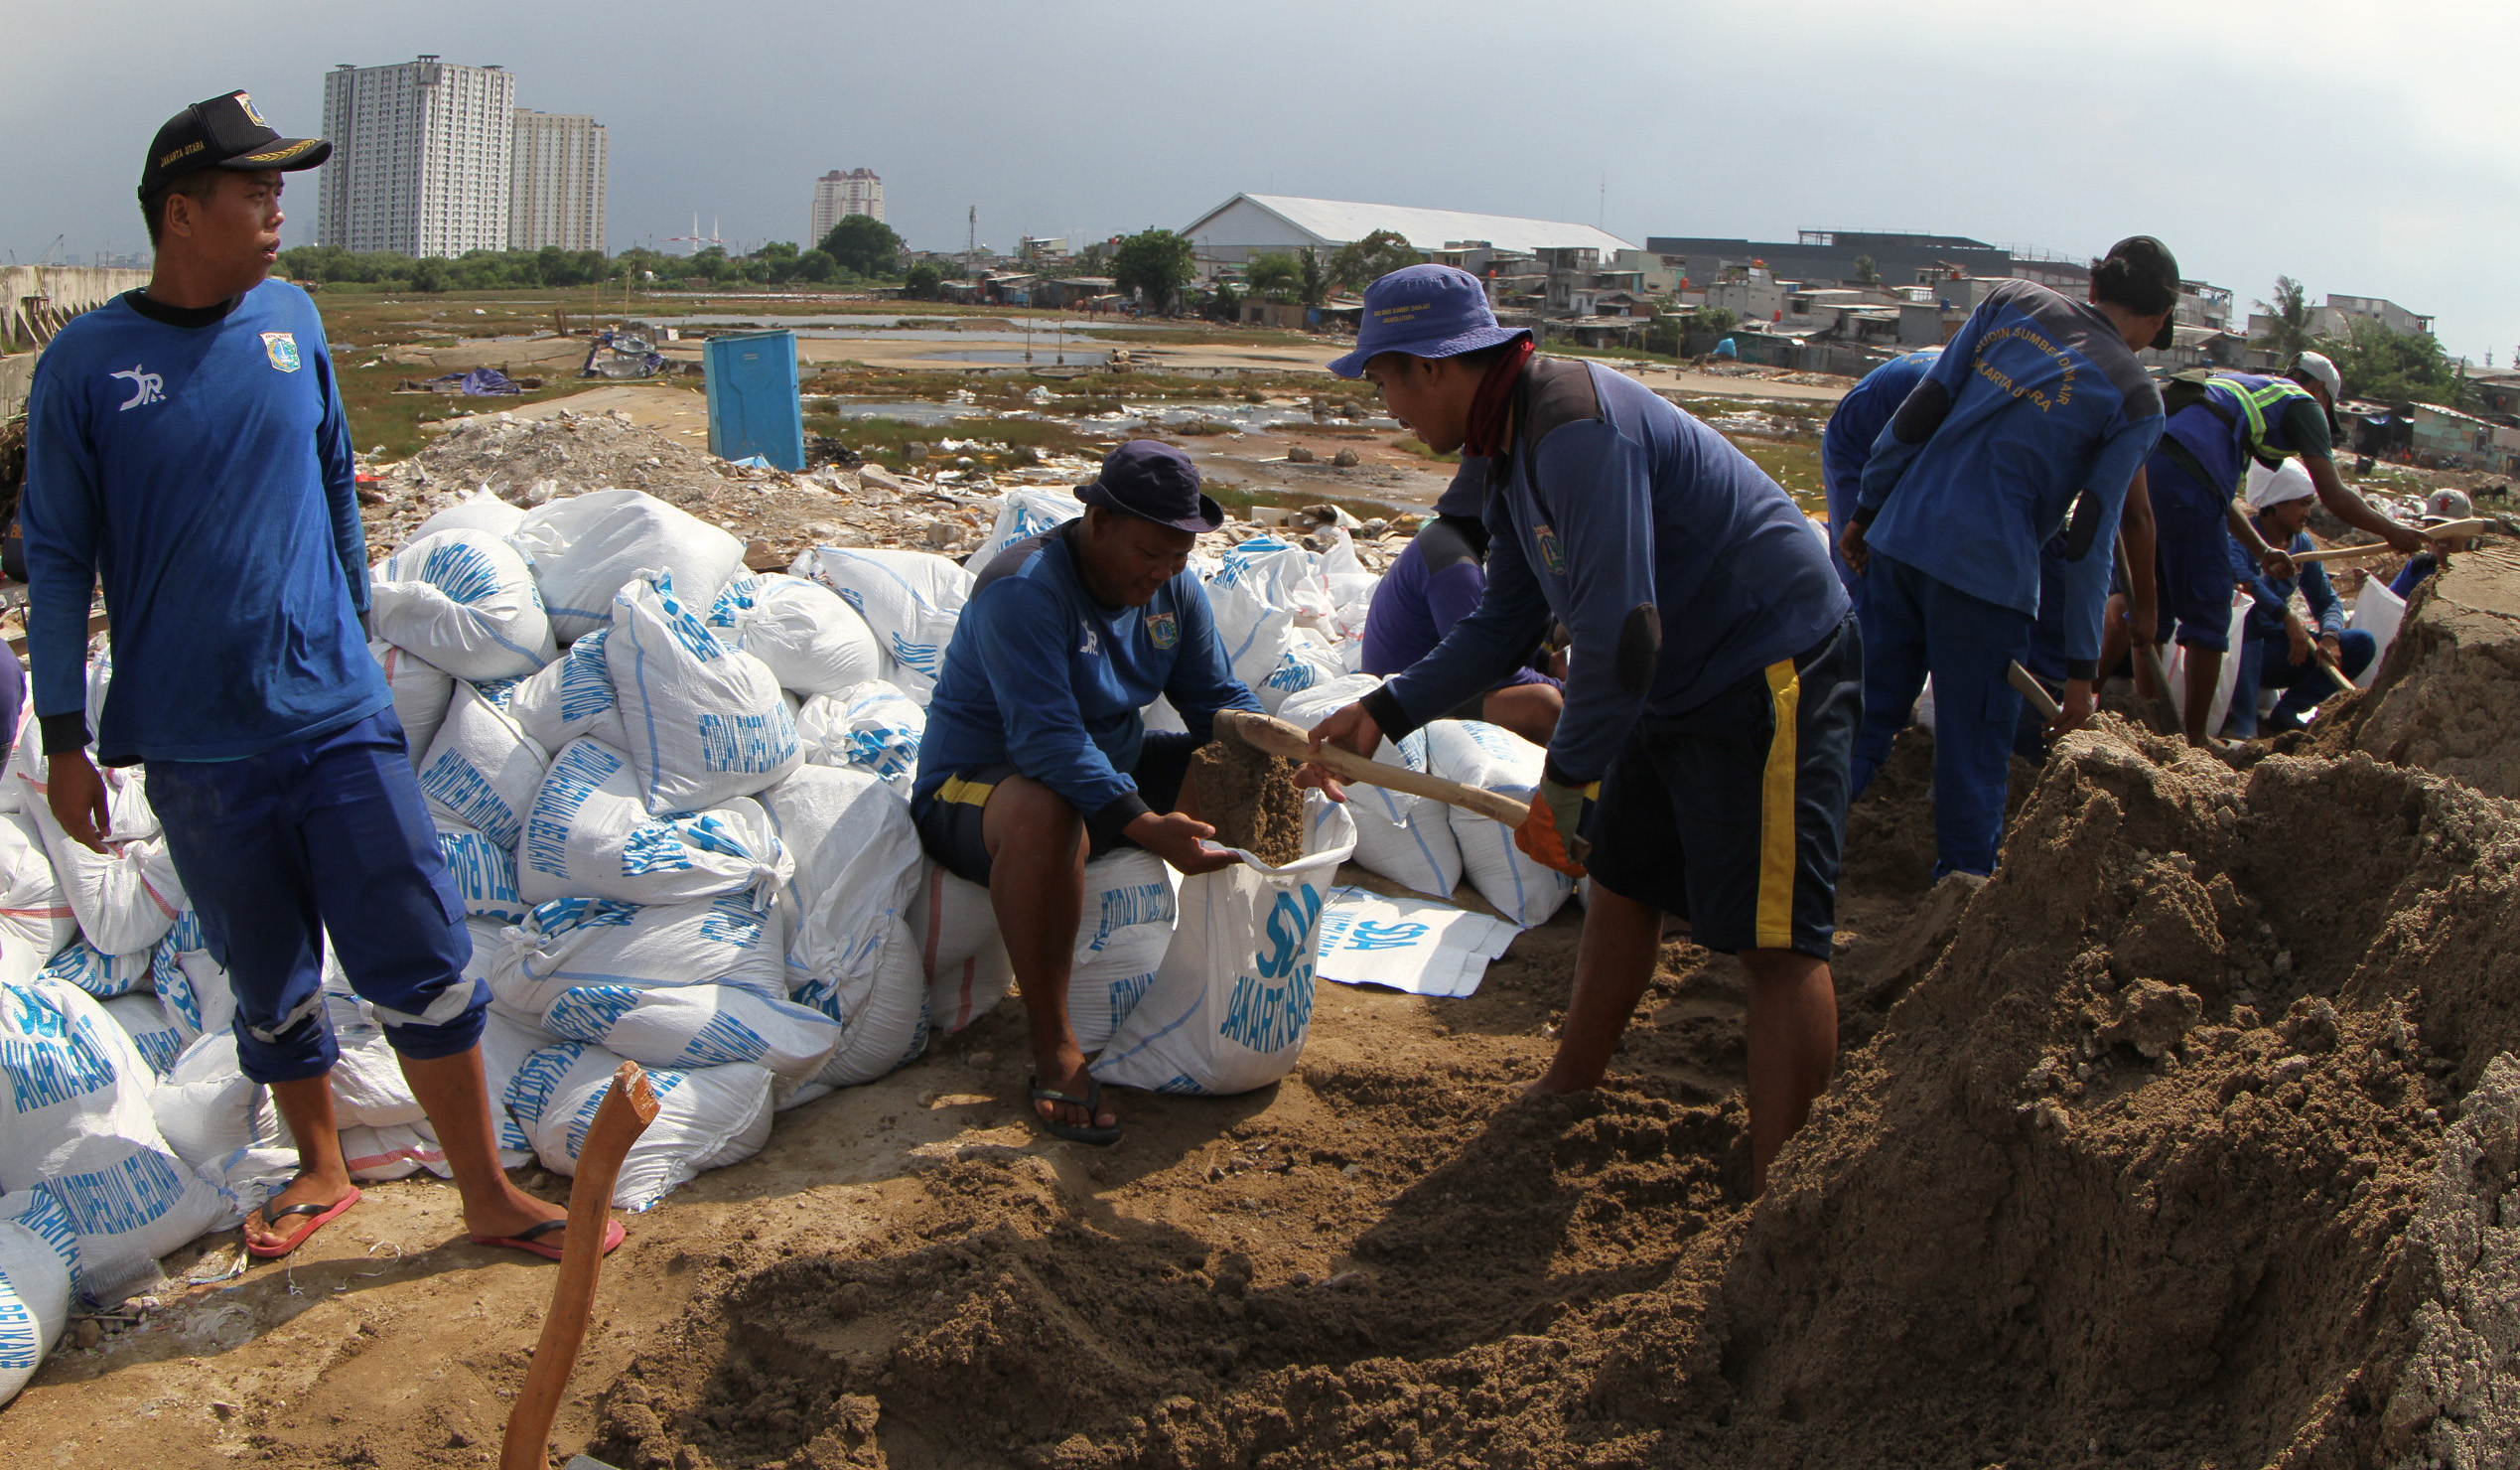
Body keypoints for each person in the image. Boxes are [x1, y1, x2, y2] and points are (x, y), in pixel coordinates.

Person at [20, 90, 588, 1261]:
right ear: (182, 211)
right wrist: (69, 740)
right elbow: (61, 553)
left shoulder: (293, 320)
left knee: (417, 948)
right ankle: (323, 1165)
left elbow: (336, 480)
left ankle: (485, 1188)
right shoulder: (86, 363)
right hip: (194, 738)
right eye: (254, 189)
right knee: (265, 971)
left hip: (333, 712)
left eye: (282, 187)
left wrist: (353, 632)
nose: (278, 208)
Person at [1306, 265, 1857, 1195]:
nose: (1385, 403)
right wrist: (1385, 711)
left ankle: (1779, 1203)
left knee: (1775, 941)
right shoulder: (1504, 445)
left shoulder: (1571, 431)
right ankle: (1568, 1087)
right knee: (1622, 878)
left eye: (1384, 379)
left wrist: (1566, 781)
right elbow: (1504, 621)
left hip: (1767, 662)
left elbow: (1622, 633)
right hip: (1666, 676)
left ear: (1435, 368)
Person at [912, 441, 1258, 1145]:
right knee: (1048, 804)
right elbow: (1045, 744)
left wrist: (1279, 746)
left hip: (1108, 769)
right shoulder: (1024, 589)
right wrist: (1140, 822)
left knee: (1240, 758)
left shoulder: (1173, 590)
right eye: (1148, 553)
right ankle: (1055, 1047)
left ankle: (1209, 972)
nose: (1161, 573)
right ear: (1098, 521)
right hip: (980, 792)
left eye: (1178, 558)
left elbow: (1215, 699)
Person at [1839, 237, 2177, 877]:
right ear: (2159, 317)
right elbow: (2091, 537)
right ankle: (1959, 911)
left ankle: (1781, 860)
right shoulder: (2136, 398)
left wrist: (1865, 511)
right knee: (1972, 756)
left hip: (1904, 541)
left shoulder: (2010, 301)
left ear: (2097, 286)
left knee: (1862, 721)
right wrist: (2081, 675)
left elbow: (1921, 411)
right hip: (1986, 584)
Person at [2123, 350, 2422, 746]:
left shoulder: (2237, 390)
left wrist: (2262, 550)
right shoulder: (2302, 402)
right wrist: (2390, 530)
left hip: (2144, 464)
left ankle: (2149, 719)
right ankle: (2194, 740)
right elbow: (2333, 493)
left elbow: (2214, 490)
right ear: (2318, 389)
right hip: (2184, 479)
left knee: (2153, 606)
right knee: (2210, 617)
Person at [1359, 471, 1563, 746]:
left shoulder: (1443, 540)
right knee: (1543, 705)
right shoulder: (1457, 570)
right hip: (1407, 699)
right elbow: (1482, 664)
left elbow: (1493, 638)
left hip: (1418, 685)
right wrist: (1564, 688)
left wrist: (1546, 663)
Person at [2225, 461, 2375, 737]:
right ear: (2276, 504)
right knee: (2250, 624)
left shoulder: (2302, 544)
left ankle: (2289, 710)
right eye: (2302, 504)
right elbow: (2250, 588)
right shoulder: (2239, 540)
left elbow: (2327, 601)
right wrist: (2288, 618)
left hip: (2280, 652)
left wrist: (2330, 636)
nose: (2308, 513)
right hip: (2238, 651)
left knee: (2361, 644)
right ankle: (2244, 723)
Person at [1820, 347, 1941, 600]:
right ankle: (1857, 629)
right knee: (1861, 560)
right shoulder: (1947, 395)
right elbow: (1894, 452)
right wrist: (1864, 515)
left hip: (1904, 430)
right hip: (1858, 438)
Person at [2389, 487, 2476, 598]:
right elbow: (2390, 603)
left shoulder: (2476, 575)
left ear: (2468, 533)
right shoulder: (2419, 566)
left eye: (2449, 528)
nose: (2441, 535)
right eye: (2435, 526)